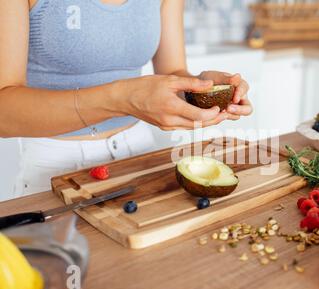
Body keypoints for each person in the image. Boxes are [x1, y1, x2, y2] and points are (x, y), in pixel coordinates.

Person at [0, 0, 252, 197]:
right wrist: (121, 98)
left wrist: (199, 88)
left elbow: (173, 74)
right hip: (53, 165)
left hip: (139, 154)